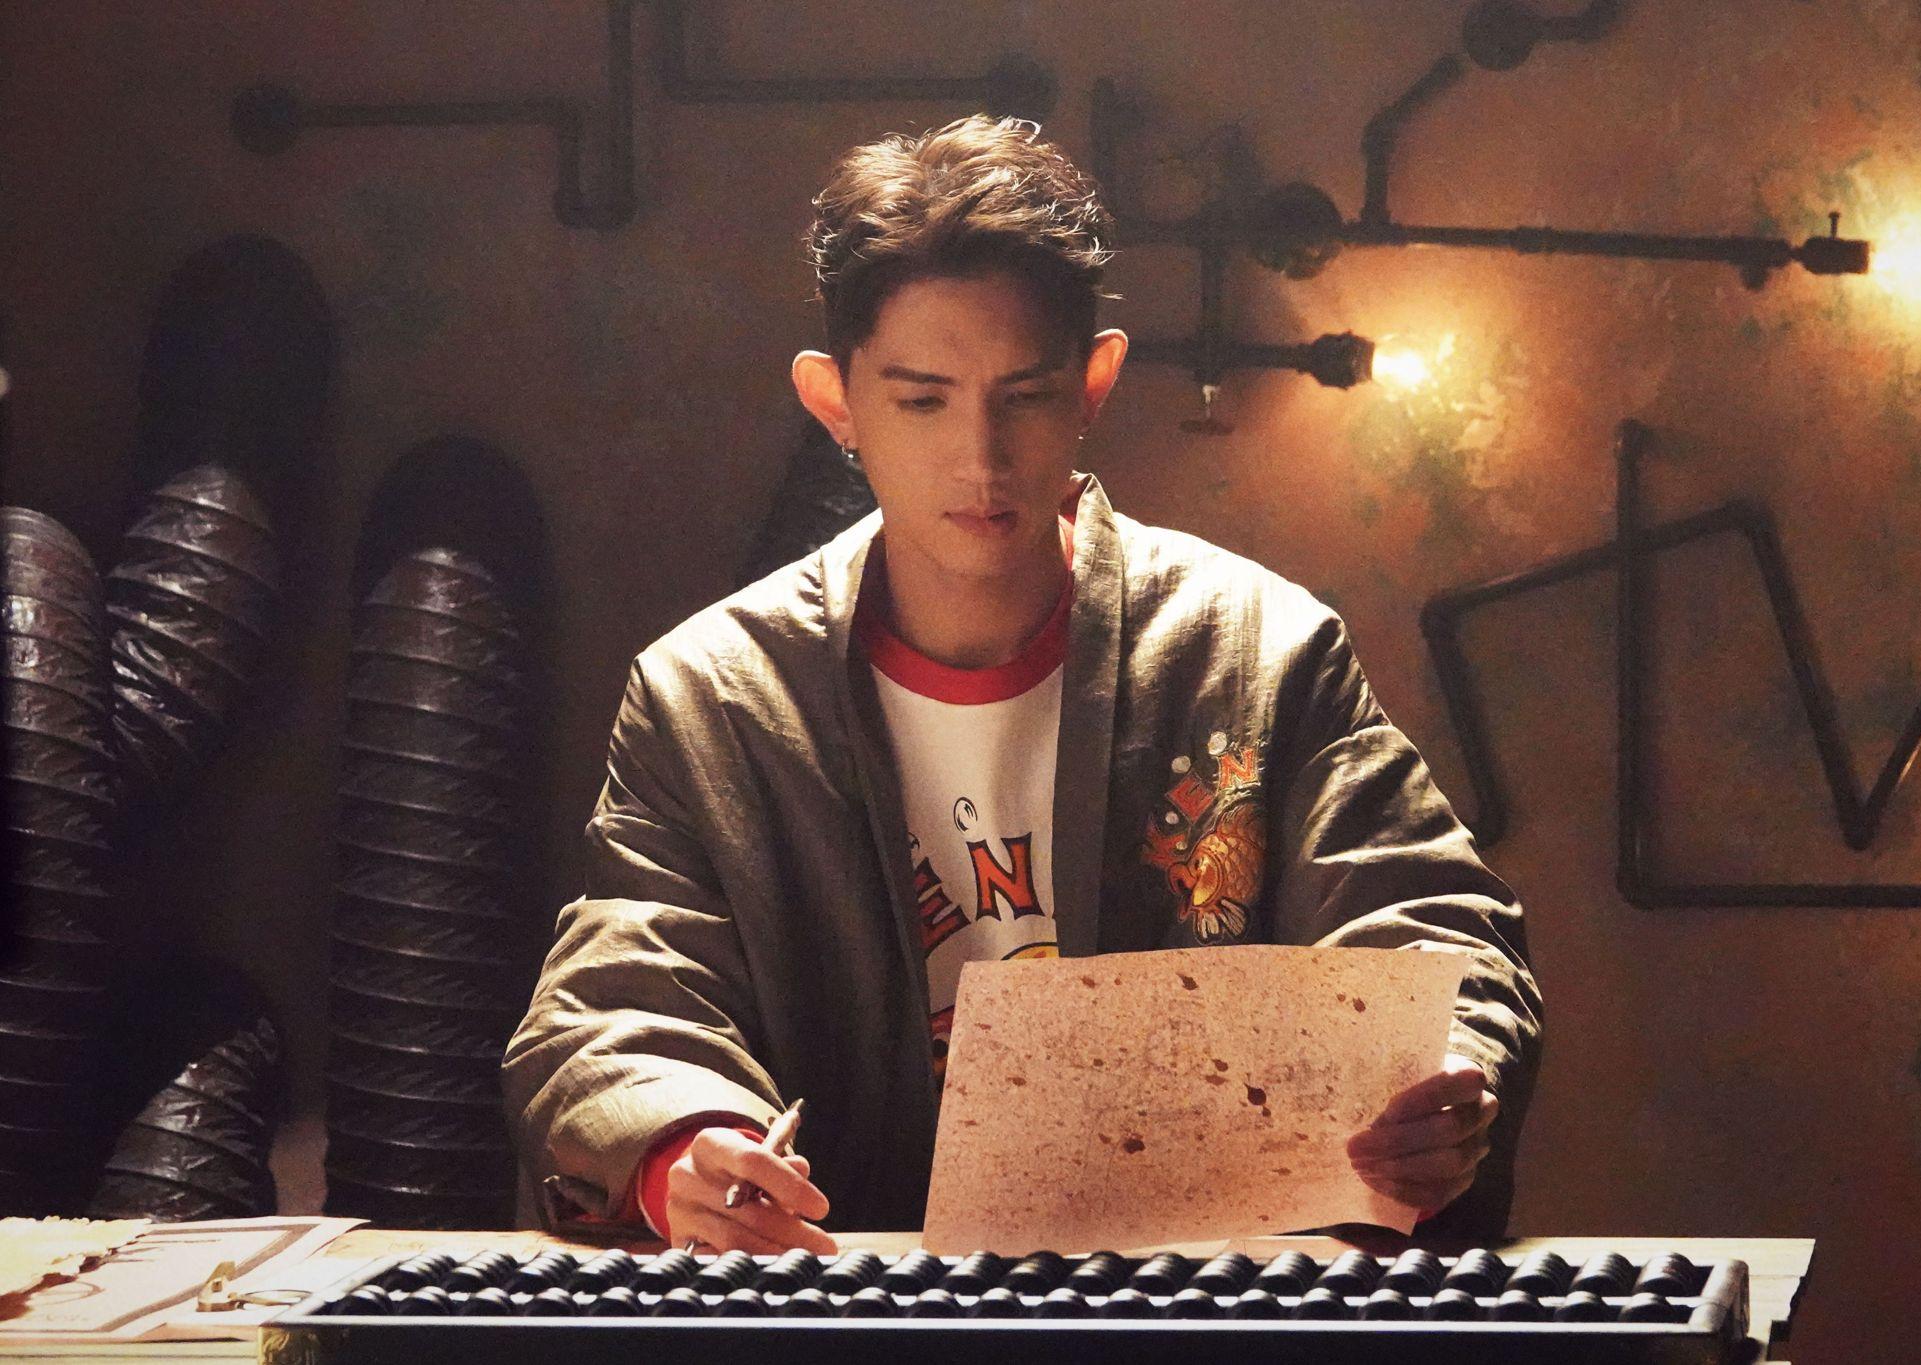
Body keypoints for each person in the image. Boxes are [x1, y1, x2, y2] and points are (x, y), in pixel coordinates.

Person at [502, 114, 1541, 1255]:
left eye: (1025, 395)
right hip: (836, 1302)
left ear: (1094, 383)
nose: (981, 459)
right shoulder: (712, 698)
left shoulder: (1258, 651)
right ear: (834, 401)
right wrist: (680, 1148)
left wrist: (1441, 1079)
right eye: (922, 400)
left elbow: (1425, 921)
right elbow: (619, 994)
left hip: (1197, 1305)